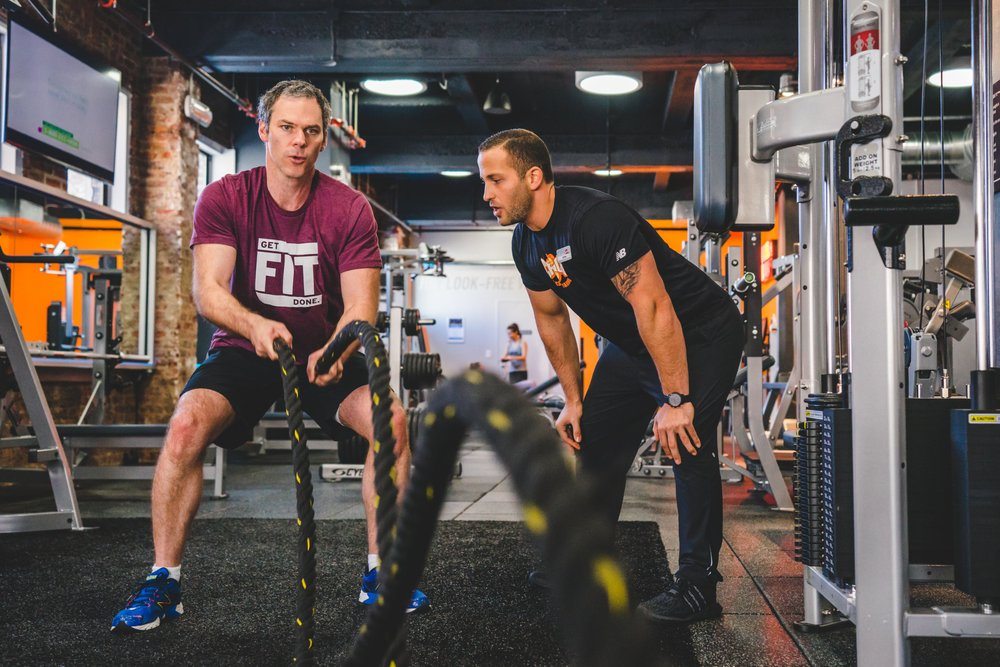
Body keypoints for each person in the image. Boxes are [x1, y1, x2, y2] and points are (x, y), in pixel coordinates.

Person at [112, 80, 429, 633]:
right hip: (245, 347)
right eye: (286, 127)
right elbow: (208, 291)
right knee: (185, 426)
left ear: (324, 138)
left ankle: (384, 573)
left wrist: (338, 349)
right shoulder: (225, 197)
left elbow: (361, 306)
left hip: (324, 351)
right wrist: (254, 324)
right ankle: (163, 580)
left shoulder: (349, 209)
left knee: (393, 423)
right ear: (264, 129)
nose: (298, 141)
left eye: (311, 131)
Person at [477, 129, 745, 624]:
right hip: (632, 342)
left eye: (496, 180)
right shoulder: (525, 242)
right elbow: (552, 319)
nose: (487, 194)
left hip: (700, 331)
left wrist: (676, 399)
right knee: (596, 439)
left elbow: (654, 306)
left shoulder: (595, 218)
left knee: (685, 442)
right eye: (485, 182)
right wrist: (573, 399)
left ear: (533, 177)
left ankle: (697, 587)